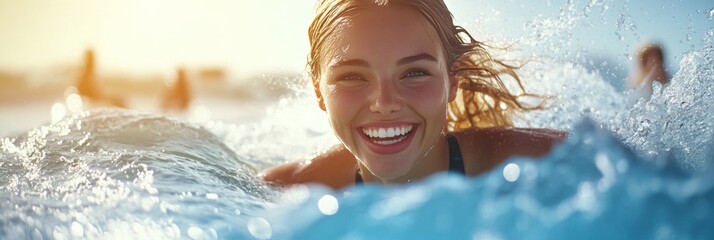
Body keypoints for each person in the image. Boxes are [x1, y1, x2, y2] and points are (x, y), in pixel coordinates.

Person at [260, 0, 565, 189]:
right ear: (319, 92)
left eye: (415, 73)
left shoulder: (546, 163)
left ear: (452, 80)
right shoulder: (289, 188)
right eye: (352, 77)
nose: (385, 103)